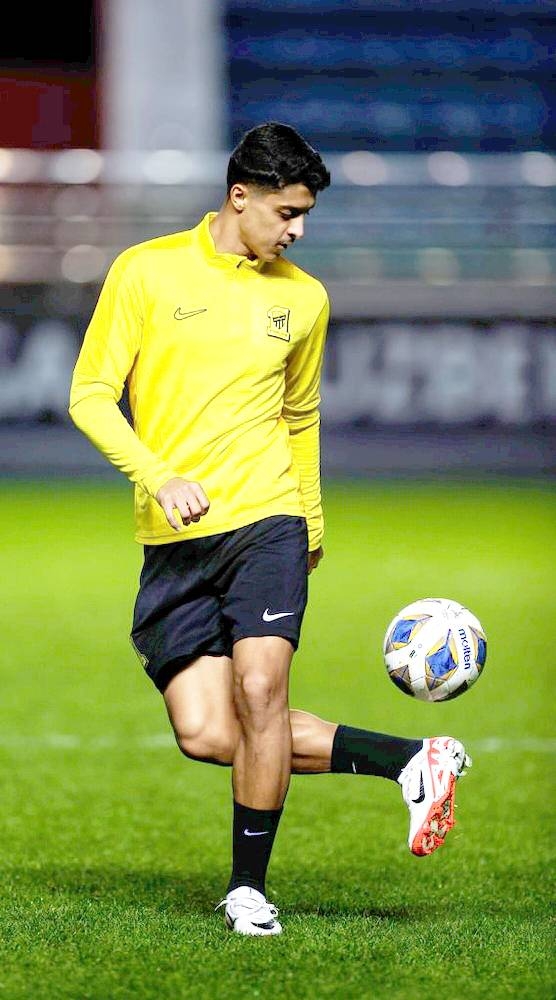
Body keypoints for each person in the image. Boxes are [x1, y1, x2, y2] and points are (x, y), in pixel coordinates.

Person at [69, 122, 471, 937]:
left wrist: (310, 522)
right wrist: (159, 476)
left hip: (268, 519)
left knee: (260, 692)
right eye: (288, 212)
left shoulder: (304, 298)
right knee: (208, 731)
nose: (298, 230)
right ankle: (410, 761)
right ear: (239, 196)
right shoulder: (145, 271)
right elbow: (90, 395)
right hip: (174, 535)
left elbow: (300, 415)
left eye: (305, 215)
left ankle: (248, 890)